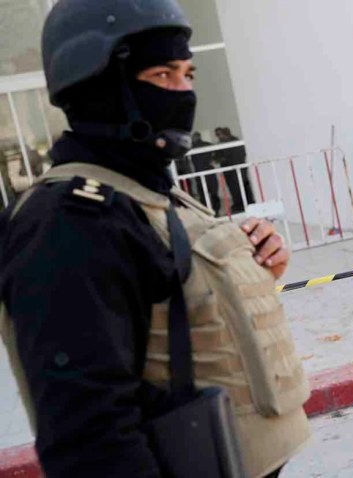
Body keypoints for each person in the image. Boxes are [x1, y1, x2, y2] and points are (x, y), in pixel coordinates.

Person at [0, 1, 310, 477]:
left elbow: (184, 319)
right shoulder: (70, 221)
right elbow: (89, 435)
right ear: (97, 85)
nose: (183, 93)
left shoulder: (147, 193)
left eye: (188, 74)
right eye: (163, 75)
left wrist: (254, 264)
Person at [215, 127, 255, 213]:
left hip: (232, 170)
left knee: (236, 188)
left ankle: (240, 205)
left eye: (219, 134)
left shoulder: (226, 144)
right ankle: (248, 203)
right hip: (239, 168)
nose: (218, 136)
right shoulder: (236, 141)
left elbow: (223, 157)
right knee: (243, 186)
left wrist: (219, 159)